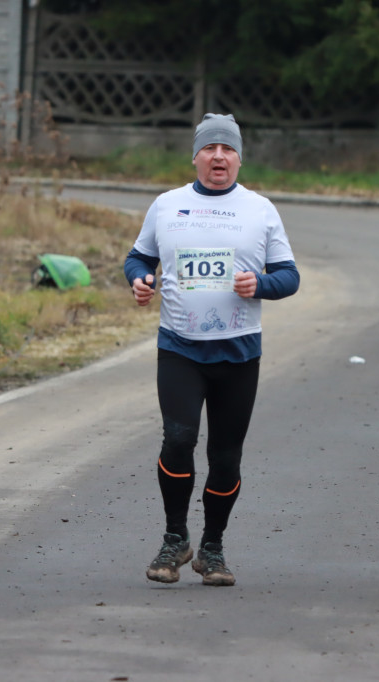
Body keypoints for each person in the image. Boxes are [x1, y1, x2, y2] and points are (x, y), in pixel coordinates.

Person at [124, 114, 300, 586]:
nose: (218, 156)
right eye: (209, 148)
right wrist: (140, 279)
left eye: (227, 149)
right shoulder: (167, 205)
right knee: (178, 440)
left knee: (226, 457)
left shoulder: (259, 209)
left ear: (239, 158)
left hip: (238, 352)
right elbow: (139, 256)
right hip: (180, 346)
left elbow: (289, 276)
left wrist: (259, 283)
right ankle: (174, 536)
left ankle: (213, 547)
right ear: (196, 156)